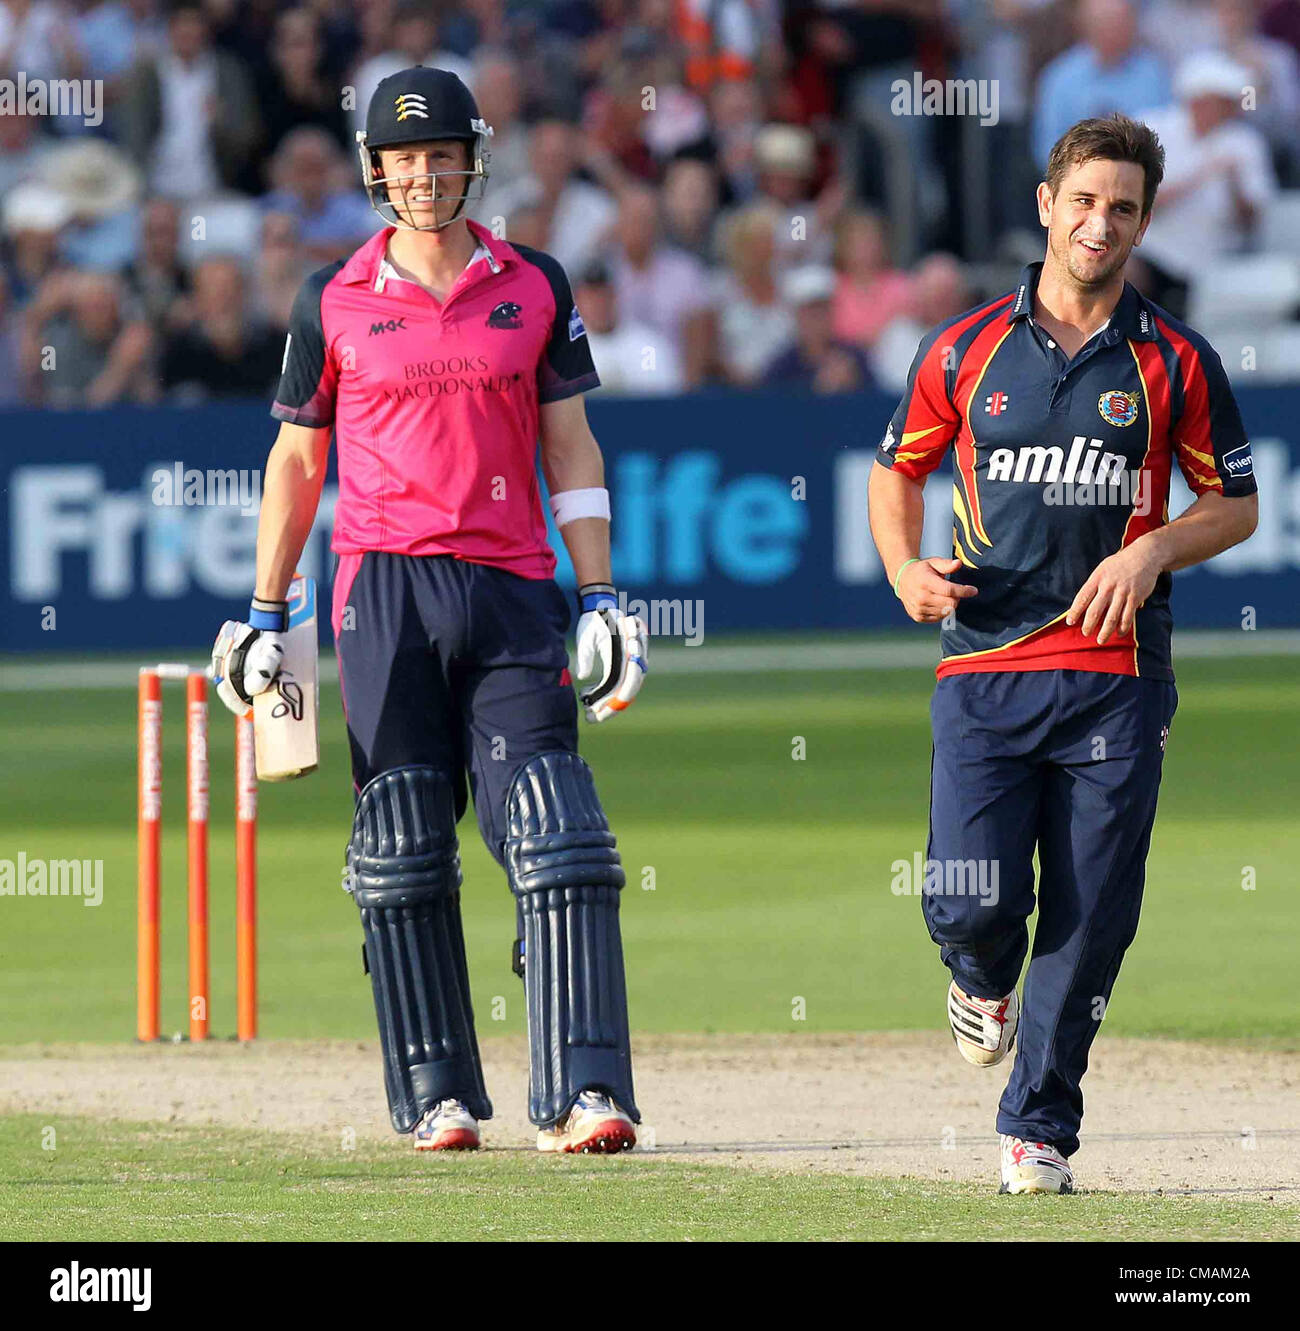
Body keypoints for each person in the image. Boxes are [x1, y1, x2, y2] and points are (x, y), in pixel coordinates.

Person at [208, 67, 647, 1156]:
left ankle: (584, 1090)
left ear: (471, 160)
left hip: (509, 587)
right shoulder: (332, 297)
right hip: (383, 595)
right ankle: (435, 1093)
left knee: (556, 825)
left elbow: (570, 448)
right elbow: (298, 461)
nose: (421, 175)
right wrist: (265, 612)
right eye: (402, 158)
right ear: (375, 169)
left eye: (439, 154)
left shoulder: (534, 283)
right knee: (401, 843)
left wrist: (599, 593)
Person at [868, 114, 1258, 1195]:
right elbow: (895, 471)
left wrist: (1154, 551)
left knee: (1092, 915)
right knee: (968, 899)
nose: (1100, 222)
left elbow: (1235, 502)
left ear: (1142, 220)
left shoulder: (1175, 359)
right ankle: (978, 976)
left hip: (1116, 677)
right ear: (1045, 204)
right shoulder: (963, 347)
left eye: (1122, 206)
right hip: (983, 659)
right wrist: (904, 568)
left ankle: (1036, 1126)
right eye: (1082, 200)